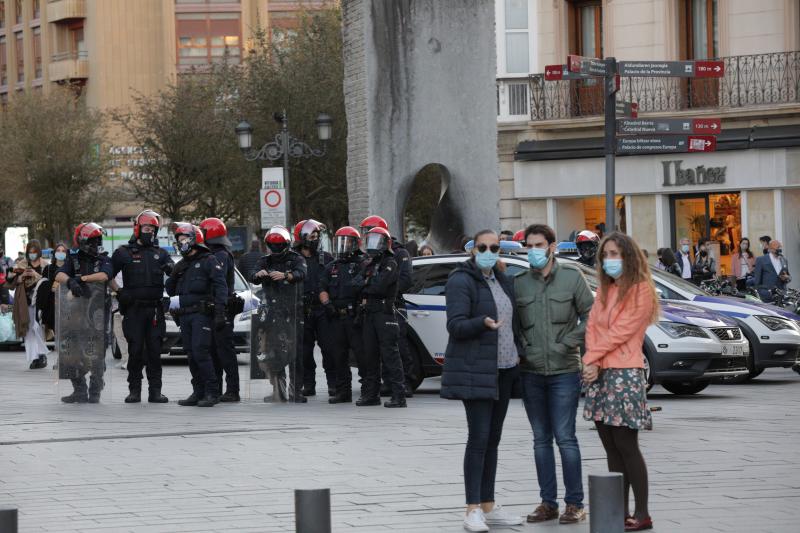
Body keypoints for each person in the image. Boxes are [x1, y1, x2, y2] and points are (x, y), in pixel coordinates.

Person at [440, 229, 524, 532]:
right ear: (473, 250)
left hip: (504, 369)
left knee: (493, 439)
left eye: (495, 247)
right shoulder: (461, 280)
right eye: (483, 247)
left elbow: (514, 323)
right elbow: (455, 325)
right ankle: (472, 508)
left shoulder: (502, 279)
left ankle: (488, 504)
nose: (489, 251)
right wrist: (482, 323)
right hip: (476, 369)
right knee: (478, 438)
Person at [515, 224, 594, 525]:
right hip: (531, 371)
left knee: (565, 438)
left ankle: (574, 503)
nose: (533, 251)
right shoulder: (520, 282)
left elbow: (591, 315)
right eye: (529, 246)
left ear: (551, 247)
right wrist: (522, 347)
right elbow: (513, 324)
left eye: (538, 245)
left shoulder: (572, 278)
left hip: (564, 371)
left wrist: (569, 341)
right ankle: (547, 503)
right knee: (540, 439)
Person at [582, 231, 659, 532]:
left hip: (625, 372)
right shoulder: (605, 289)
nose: (610, 260)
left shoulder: (641, 289)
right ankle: (619, 511)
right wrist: (593, 360)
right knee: (609, 445)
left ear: (629, 256)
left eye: (615, 254)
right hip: (601, 371)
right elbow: (592, 327)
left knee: (626, 444)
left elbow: (622, 332)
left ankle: (642, 513)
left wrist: (591, 360)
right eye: (605, 255)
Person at [112, 210, 174, 404]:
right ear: (138, 228)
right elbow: (107, 276)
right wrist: (119, 292)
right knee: (136, 350)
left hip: (155, 310)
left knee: (155, 351)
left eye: (153, 229)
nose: (150, 232)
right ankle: (134, 390)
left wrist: (173, 272)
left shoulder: (161, 253)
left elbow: (174, 272)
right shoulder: (123, 252)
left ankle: (156, 391)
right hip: (134, 310)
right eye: (147, 228)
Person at [166, 223, 227, 408]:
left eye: (184, 239)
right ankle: (198, 391)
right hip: (185, 315)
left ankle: (212, 392)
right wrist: (174, 274)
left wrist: (220, 312)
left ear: (194, 240)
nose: (181, 243)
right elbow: (170, 290)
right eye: (179, 240)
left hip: (203, 314)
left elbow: (220, 286)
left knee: (201, 352)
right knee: (191, 354)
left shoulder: (209, 260)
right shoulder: (182, 264)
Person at [55, 223, 113, 403]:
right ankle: (79, 389)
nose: (96, 245)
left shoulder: (103, 259)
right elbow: (59, 275)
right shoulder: (73, 259)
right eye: (93, 241)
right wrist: (70, 282)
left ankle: (95, 390)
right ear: (83, 241)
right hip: (75, 313)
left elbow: (104, 276)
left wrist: (81, 279)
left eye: (98, 241)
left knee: (96, 352)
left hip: (97, 314)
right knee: (71, 351)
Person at [251, 226, 308, 403]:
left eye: (279, 245)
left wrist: (287, 275)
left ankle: (296, 390)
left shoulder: (296, 258)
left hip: (293, 310)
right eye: (272, 245)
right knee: (274, 352)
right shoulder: (265, 260)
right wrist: (258, 274)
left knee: (295, 351)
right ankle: (278, 390)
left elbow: (302, 273)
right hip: (273, 311)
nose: (275, 249)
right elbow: (252, 274)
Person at [360, 215, 415, 397]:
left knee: (398, 345)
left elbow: (406, 280)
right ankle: (386, 381)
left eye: (371, 233)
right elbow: (359, 282)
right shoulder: (371, 257)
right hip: (374, 308)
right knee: (377, 348)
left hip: (393, 304)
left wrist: (384, 287)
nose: (369, 237)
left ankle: (405, 382)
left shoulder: (399, 254)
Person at [319, 226, 367, 404]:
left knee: (362, 356)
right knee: (338, 356)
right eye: (340, 241)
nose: (343, 245)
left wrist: (361, 309)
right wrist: (327, 304)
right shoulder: (332, 266)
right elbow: (322, 288)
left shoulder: (363, 264)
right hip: (335, 317)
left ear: (355, 243)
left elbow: (367, 288)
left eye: (347, 241)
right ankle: (342, 391)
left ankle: (367, 390)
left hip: (354, 317)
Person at [199, 217, 242, 403]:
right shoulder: (214, 253)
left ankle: (232, 390)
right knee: (214, 351)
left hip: (222, 308)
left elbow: (217, 282)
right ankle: (216, 388)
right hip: (214, 308)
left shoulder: (221, 255)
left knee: (225, 351)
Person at [294, 219, 336, 397]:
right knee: (304, 351)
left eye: (317, 236)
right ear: (302, 237)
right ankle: (308, 384)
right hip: (302, 309)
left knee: (329, 348)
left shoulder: (326, 258)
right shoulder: (293, 258)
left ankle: (333, 384)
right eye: (312, 236)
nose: (316, 239)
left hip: (322, 310)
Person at [8, 240, 49, 369]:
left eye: (34, 252)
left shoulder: (45, 264)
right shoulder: (22, 264)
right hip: (25, 301)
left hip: (40, 300)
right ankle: (34, 357)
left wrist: (36, 275)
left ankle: (42, 355)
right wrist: (21, 276)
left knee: (38, 327)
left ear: (39, 251)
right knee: (28, 329)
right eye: (30, 252)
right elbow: (11, 282)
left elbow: (48, 281)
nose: (32, 254)